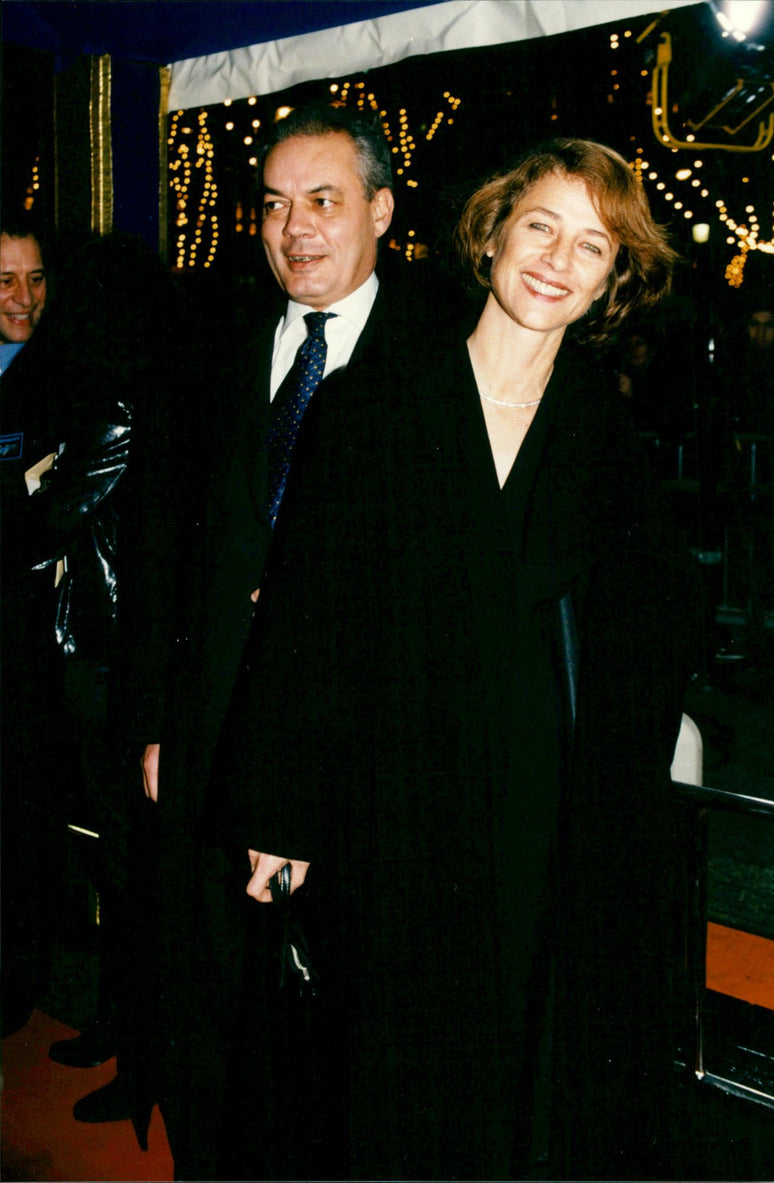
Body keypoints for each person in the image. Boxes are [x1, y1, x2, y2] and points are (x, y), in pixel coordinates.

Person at [217, 138, 694, 1180]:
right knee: (375, 1090)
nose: (558, 260)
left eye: (592, 246)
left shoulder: (611, 448)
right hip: (387, 816)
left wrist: (608, 834)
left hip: (539, 833)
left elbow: (642, 664)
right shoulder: (369, 408)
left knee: (514, 1097)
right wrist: (282, 815)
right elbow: (306, 628)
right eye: (541, 226)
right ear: (492, 232)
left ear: (612, 280)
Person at [151, 102, 450, 1180]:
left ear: (377, 208)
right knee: (214, 990)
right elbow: (164, 548)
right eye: (274, 205)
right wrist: (153, 721)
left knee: (334, 1013)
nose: (294, 228)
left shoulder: (437, 366)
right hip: (211, 726)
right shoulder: (214, 347)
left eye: (322, 200)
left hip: (352, 753)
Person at [18, 232, 188, 1146]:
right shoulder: (133, 381)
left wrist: (33, 483)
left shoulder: (118, 395)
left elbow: (53, 514)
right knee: (122, 864)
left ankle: (143, 1063)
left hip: (113, 659)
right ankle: (125, 1035)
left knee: (131, 866)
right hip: (112, 653)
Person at [0, 212, 64, 1037]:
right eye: (7, 281)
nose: (26, 298)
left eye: (37, 278)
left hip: (27, 636)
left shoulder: (62, 375)